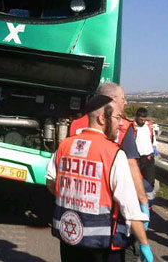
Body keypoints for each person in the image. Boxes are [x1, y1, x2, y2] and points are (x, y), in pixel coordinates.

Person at [46, 95, 153, 262]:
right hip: (102, 246)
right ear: (102, 118)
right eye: (118, 117)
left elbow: (51, 182)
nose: (121, 123)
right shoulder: (114, 154)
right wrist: (145, 244)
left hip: (69, 238)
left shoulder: (65, 145)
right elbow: (130, 209)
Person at [69, 83, 150, 227]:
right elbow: (131, 166)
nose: (125, 102)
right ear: (112, 99)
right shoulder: (124, 127)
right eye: (123, 98)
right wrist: (143, 202)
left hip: (76, 204)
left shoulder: (76, 124)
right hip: (109, 210)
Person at [134, 108, 157, 202]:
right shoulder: (132, 127)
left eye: (144, 119)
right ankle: (137, 201)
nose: (142, 121)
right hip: (137, 159)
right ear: (137, 117)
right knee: (136, 182)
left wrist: (155, 147)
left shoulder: (149, 126)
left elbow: (153, 138)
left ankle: (148, 202)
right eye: (141, 119)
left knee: (150, 181)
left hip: (148, 158)